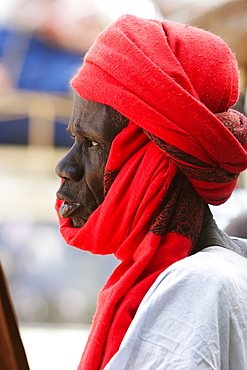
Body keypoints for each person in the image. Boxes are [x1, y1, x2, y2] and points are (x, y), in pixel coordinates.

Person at [55, 14, 247, 369]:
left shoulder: (199, 286)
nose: (66, 167)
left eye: (91, 143)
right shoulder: (221, 268)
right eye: (73, 140)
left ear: (155, 161)